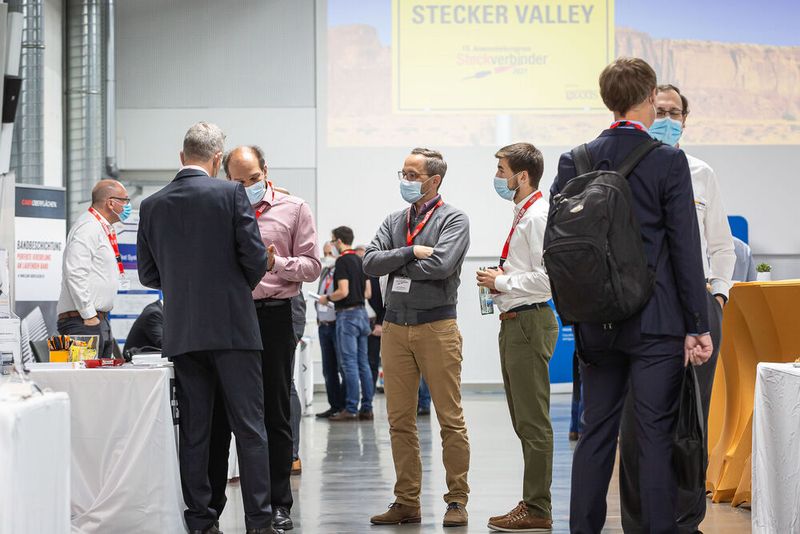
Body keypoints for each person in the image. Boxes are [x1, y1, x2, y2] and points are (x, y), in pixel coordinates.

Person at [551, 59, 713, 534]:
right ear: (646, 99)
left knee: (596, 433)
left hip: (595, 320)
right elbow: (685, 247)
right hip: (655, 321)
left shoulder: (574, 159)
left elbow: (558, 246)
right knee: (654, 436)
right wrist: (697, 324)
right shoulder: (667, 160)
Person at [136, 122, 277, 534]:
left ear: (182, 157)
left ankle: (200, 521)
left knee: (195, 433)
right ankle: (259, 523)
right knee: (250, 430)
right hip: (234, 330)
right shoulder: (231, 193)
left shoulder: (152, 204)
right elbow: (254, 259)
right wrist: (235, 289)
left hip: (183, 333)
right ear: (218, 160)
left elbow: (148, 274)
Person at [619, 83, 736, 533]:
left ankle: (687, 520)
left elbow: (722, 246)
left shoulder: (702, 172)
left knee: (692, 420)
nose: (667, 118)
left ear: (685, 119)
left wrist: (717, 297)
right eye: (659, 109)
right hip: (645, 310)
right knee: (638, 421)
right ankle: (641, 520)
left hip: (699, 307)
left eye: (675, 112)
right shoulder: (633, 168)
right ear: (646, 112)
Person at [209, 145, 321, 532]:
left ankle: (278, 504)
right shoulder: (220, 209)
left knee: (274, 409)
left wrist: (277, 263)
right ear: (226, 179)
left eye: (254, 179)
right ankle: (214, 507)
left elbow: (312, 266)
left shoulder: (294, 208)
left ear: (265, 171)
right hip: (231, 316)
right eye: (239, 181)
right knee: (225, 411)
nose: (248, 187)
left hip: (274, 314)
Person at [364, 147, 471, 528]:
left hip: (436, 327)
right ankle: (406, 500)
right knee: (399, 421)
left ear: (433, 180)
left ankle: (456, 500)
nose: (405, 180)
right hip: (394, 328)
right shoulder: (395, 219)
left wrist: (396, 258)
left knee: (449, 419)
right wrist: (410, 249)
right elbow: (368, 262)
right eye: (403, 173)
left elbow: (440, 265)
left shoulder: (454, 219)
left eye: (412, 174)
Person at [477, 142, 559, 531]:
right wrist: (501, 285)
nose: (498, 177)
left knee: (533, 421)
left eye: (501, 169)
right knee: (524, 419)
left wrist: (503, 280)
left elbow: (550, 277)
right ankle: (532, 502)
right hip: (515, 319)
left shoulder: (539, 215)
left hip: (530, 321)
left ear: (521, 176)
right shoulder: (523, 212)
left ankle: (537, 508)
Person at [57, 179, 130, 358]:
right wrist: (89, 314)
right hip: (82, 322)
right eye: (125, 201)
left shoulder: (102, 228)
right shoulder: (88, 227)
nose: (127, 206)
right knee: (84, 381)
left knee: (101, 381)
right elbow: (74, 272)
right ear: (111, 203)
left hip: (96, 320)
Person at [319, 226, 374, 421]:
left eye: (333, 242)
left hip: (347, 317)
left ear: (339, 242)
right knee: (363, 363)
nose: (332, 246)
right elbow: (368, 292)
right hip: (362, 315)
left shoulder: (342, 261)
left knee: (349, 364)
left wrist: (326, 298)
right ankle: (367, 407)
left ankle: (350, 408)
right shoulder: (361, 261)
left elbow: (342, 291)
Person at [315, 241, 345, 418]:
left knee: (343, 367)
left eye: (329, 253)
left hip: (337, 324)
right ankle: (333, 405)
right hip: (324, 326)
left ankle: (344, 405)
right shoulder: (325, 271)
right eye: (324, 253)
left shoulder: (341, 271)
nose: (326, 257)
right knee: (328, 369)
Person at [355, 244, 386, 392]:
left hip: (374, 326)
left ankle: (370, 391)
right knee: (358, 361)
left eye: (363, 257)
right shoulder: (352, 278)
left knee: (372, 361)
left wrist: (379, 324)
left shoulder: (375, 278)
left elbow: (384, 302)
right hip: (357, 324)